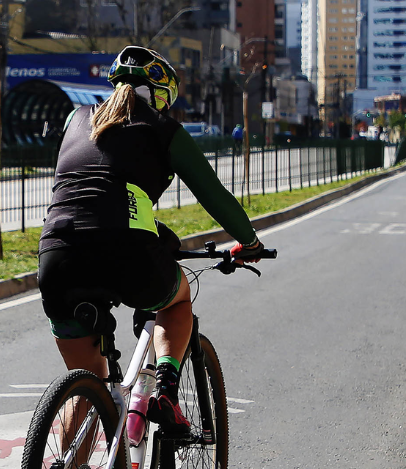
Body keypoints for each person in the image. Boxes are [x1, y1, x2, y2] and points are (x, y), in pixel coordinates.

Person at [38, 46, 269, 437]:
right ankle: (164, 389)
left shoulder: (77, 118)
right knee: (177, 299)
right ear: (162, 96)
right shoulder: (165, 130)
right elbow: (214, 195)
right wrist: (249, 243)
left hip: (57, 253)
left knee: (86, 384)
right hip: (128, 253)